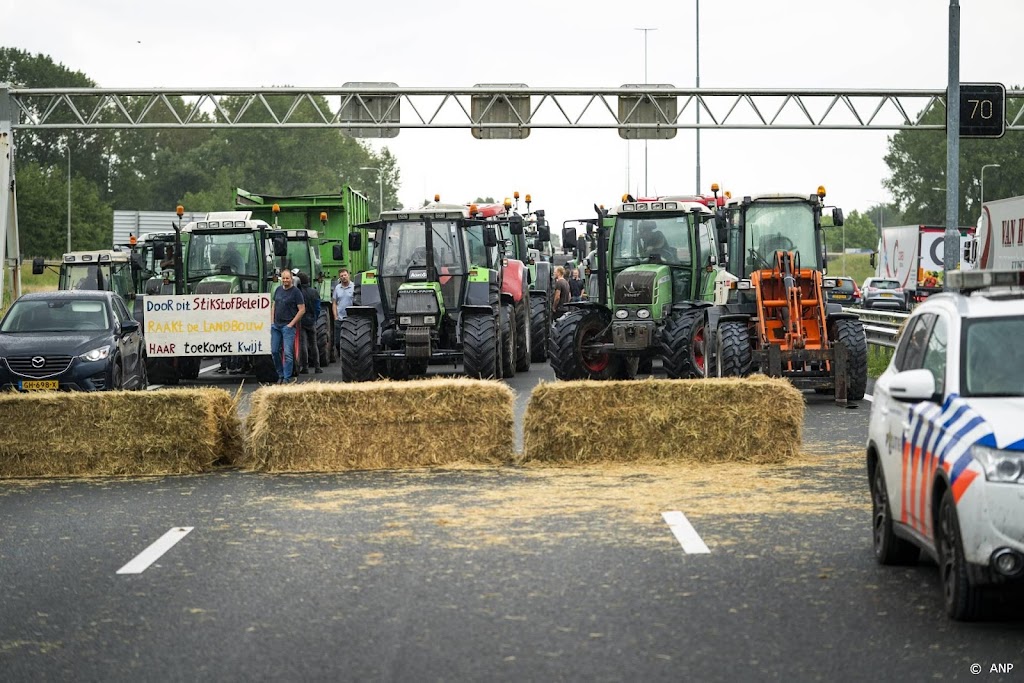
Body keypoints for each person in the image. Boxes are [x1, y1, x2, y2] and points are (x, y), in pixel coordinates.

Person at [270, 269, 306, 384]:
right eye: (283, 278)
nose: (285, 280)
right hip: (276, 326)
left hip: (288, 327)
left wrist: (291, 324)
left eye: (287, 278)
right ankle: (280, 374)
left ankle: (286, 377)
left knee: (288, 353)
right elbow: (274, 305)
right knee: (275, 351)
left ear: (291, 279)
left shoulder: (296, 292)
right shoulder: (278, 290)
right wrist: (272, 321)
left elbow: (302, 310)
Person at [297, 271, 322, 374]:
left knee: (303, 344)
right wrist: (315, 318)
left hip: (301, 321)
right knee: (314, 344)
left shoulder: (298, 293)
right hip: (311, 320)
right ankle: (317, 366)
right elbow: (317, 308)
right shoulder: (314, 292)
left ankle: (305, 367)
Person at [333, 268, 354, 356]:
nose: (343, 277)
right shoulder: (337, 288)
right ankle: (339, 352)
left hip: (351, 318)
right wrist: (335, 316)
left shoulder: (354, 287)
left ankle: (348, 355)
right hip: (340, 318)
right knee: (338, 341)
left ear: (348, 275)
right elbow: (334, 303)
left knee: (350, 340)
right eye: (341, 276)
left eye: (345, 275)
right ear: (339, 277)